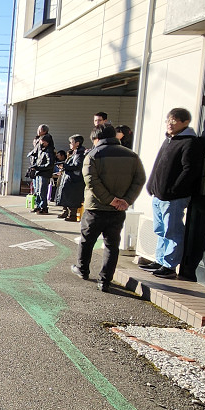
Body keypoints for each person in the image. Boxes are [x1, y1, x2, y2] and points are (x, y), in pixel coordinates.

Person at [72, 123, 145, 292]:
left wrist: (110, 200)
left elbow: (91, 181)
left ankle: (82, 269)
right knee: (112, 245)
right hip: (118, 210)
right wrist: (126, 200)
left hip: (95, 208)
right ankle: (105, 280)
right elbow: (139, 179)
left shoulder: (93, 155)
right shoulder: (132, 155)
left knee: (87, 240)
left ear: (97, 138)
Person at [142, 107, 204, 280]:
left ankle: (169, 266)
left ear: (185, 122)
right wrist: (151, 185)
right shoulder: (169, 140)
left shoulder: (190, 142)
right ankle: (160, 260)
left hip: (174, 198)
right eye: (168, 120)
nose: (170, 124)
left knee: (173, 231)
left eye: (174, 120)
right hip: (158, 195)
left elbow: (189, 170)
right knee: (160, 230)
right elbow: (158, 165)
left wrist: (174, 190)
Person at [26, 127, 56, 212]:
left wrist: (38, 167)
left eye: (42, 142)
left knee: (43, 191)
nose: (40, 143)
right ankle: (38, 205)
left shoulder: (49, 151)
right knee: (38, 190)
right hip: (39, 172)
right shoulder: (41, 151)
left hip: (44, 173)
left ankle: (44, 207)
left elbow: (50, 164)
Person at [57, 134, 87, 221]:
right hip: (70, 178)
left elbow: (77, 166)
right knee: (66, 195)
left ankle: (72, 214)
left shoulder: (80, 154)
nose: (70, 144)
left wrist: (65, 166)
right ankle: (66, 211)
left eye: (71, 142)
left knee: (72, 198)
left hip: (74, 180)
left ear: (77, 143)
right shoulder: (75, 153)